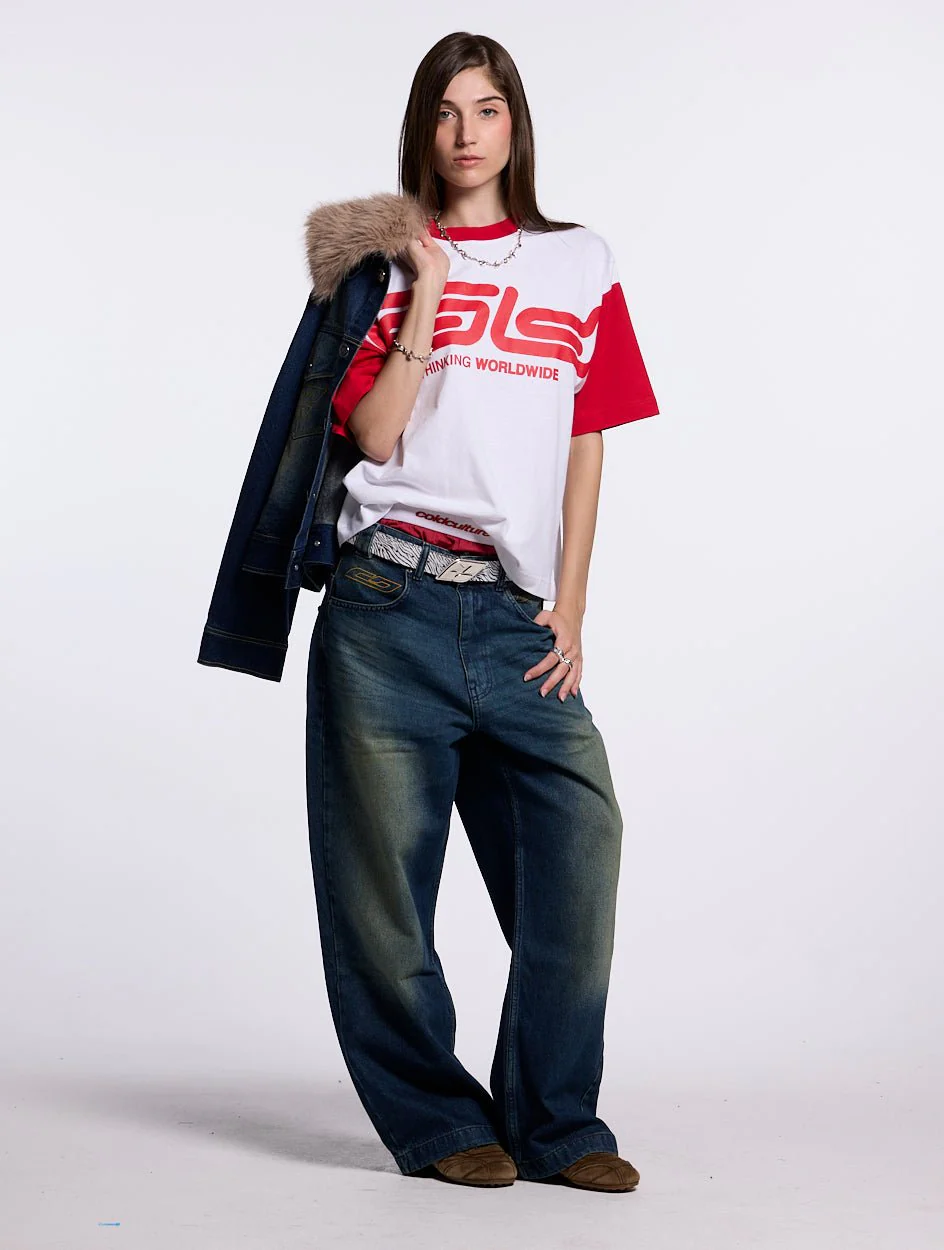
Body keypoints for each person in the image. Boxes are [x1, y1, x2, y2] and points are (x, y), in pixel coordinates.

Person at [203, 30, 660, 1192]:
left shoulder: (580, 262)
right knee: (382, 897)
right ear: (423, 129)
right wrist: (431, 290)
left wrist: (571, 603)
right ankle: (435, 1118)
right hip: (385, 604)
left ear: (516, 122)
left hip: (514, 617)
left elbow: (587, 436)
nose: (467, 132)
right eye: (446, 111)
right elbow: (372, 434)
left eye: (487, 107)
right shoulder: (382, 265)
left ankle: (555, 1120)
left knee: (580, 846)